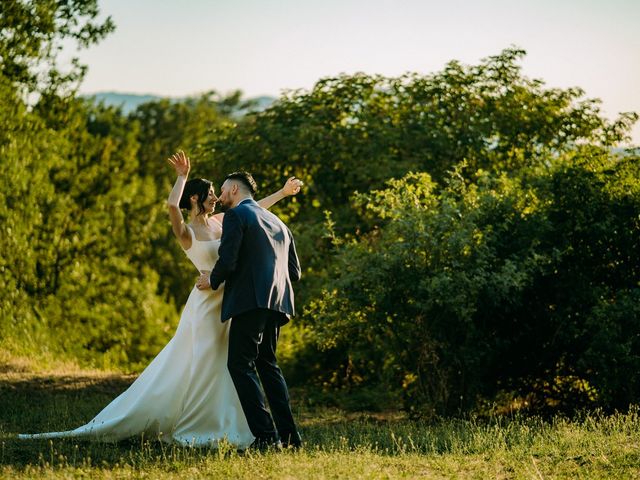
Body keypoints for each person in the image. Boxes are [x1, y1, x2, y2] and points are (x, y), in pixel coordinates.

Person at [18, 151, 302, 447]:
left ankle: (248, 429)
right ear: (195, 199)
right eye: (210, 194)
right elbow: (174, 205)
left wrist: (281, 193)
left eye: (219, 192)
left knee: (234, 365)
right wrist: (181, 177)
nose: (216, 197)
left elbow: (253, 212)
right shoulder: (188, 232)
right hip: (211, 302)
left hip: (234, 298)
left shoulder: (224, 221)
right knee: (214, 362)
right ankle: (215, 422)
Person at [195, 170, 302, 450]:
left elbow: (228, 260)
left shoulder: (236, 216)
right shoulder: (279, 222)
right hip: (278, 302)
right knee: (267, 364)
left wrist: (212, 279)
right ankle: (291, 439)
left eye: (221, 190)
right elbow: (295, 272)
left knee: (240, 364)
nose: (218, 196)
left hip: (250, 299)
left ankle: (266, 437)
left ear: (232, 190)